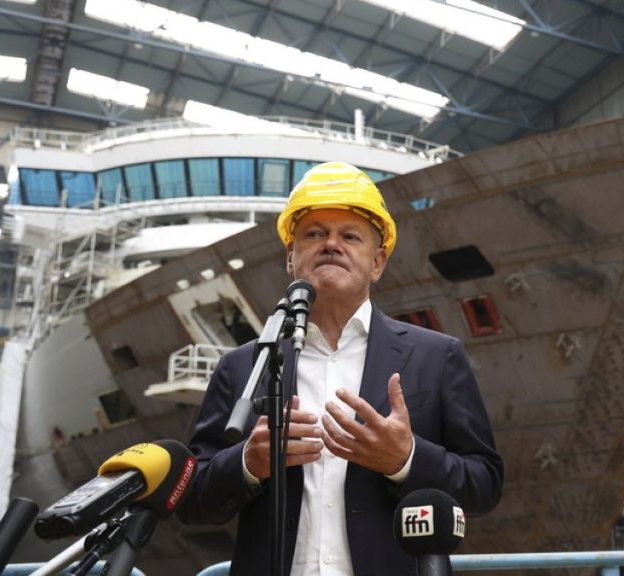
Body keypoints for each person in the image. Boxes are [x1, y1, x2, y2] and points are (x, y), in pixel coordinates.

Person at [178, 161, 504, 575]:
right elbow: (190, 501)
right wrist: (248, 462)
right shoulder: (244, 366)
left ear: (378, 262)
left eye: (350, 236)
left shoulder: (436, 357)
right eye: (314, 234)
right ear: (291, 257)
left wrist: (406, 458)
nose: (331, 244)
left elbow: (485, 484)